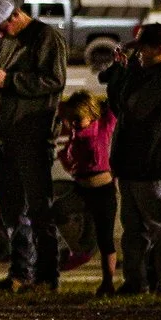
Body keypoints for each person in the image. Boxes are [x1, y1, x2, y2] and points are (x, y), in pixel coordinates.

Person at [0, 0, 68, 290]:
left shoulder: (45, 38)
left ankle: (47, 276)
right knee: (12, 209)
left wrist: (9, 81)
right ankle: (20, 273)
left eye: (2, 28)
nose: (0, 35)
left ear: (15, 15)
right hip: (3, 138)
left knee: (39, 208)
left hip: (32, 138)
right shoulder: (4, 40)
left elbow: (54, 80)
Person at [100, 23, 161, 294]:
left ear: (160, 50)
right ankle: (136, 281)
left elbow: (131, 110)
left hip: (151, 166)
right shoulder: (148, 75)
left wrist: (122, 79)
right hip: (132, 164)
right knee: (133, 229)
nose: (138, 54)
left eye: (143, 48)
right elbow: (121, 106)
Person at [55, 90, 119, 294]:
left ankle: (108, 282)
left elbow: (114, 104)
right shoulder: (74, 135)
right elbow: (68, 159)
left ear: (91, 114)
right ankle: (80, 249)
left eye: (77, 119)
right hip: (81, 189)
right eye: (70, 119)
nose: (73, 123)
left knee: (105, 238)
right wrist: (67, 161)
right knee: (58, 209)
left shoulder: (103, 127)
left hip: (102, 190)